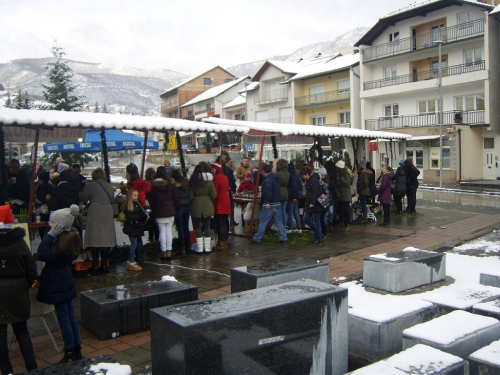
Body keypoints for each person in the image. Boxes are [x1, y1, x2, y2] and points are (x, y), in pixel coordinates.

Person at [36, 205, 83, 362]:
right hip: (65, 282)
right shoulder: (69, 240)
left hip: (58, 284)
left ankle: (70, 351)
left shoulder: (58, 244)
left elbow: (42, 253)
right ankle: (77, 349)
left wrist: (49, 236)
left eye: (52, 223)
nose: (50, 225)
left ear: (59, 226)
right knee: (70, 317)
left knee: (64, 319)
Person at [0, 226, 38, 374]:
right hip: (18, 290)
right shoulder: (19, 242)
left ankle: (6, 370)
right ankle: (32, 367)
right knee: (22, 330)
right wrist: (26, 284)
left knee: (1, 334)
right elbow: (31, 268)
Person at [79, 168, 117, 275]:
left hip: (95, 212)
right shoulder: (110, 186)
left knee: (94, 240)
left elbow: (83, 197)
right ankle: (104, 265)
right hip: (107, 213)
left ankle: (95, 266)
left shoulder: (91, 186)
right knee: (105, 240)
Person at [250, 164, 287, 244]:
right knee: (278, 222)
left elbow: (267, 193)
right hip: (277, 203)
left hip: (270, 204)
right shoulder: (276, 178)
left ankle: (257, 238)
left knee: (263, 222)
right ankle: (283, 237)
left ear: (263, 171)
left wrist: (266, 203)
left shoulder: (267, 181)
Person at [149, 166, 178, 261]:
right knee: (169, 231)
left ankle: (163, 252)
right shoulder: (170, 183)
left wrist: (154, 208)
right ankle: (169, 251)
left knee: (162, 231)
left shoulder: (153, 185)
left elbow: (151, 199)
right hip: (170, 210)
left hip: (159, 210)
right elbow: (175, 197)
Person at [189, 165, 216, 254]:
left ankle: (200, 248)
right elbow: (214, 195)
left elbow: (190, 196)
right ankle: (207, 248)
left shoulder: (193, 181)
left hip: (196, 206)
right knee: (207, 227)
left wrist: (195, 200)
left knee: (198, 227)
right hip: (208, 205)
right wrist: (208, 200)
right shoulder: (209, 181)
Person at [122, 189, 148, 270]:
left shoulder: (137, 203)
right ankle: (131, 261)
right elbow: (129, 217)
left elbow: (141, 213)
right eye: (134, 195)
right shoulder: (127, 205)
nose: (136, 197)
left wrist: (145, 216)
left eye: (137, 195)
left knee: (137, 243)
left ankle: (134, 260)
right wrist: (141, 216)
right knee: (134, 244)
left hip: (137, 227)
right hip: (131, 227)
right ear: (130, 196)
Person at [300, 166, 323, 245]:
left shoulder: (313, 180)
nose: (302, 177)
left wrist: (313, 203)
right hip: (311, 203)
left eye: (303, 175)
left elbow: (315, 192)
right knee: (306, 219)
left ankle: (318, 237)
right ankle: (318, 233)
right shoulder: (309, 180)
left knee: (316, 221)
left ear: (307, 174)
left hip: (316, 204)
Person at [211, 163, 231, 251]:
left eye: (213, 169)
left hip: (220, 201)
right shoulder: (225, 177)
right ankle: (225, 241)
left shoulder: (216, 178)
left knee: (220, 223)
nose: (212, 171)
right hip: (226, 200)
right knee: (224, 221)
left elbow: (214, 191)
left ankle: (222, 242)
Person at [171, 169, 191, 256]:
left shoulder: (174, 185)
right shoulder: (186, 182)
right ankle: (188, 247)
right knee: (186, 227)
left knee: (180, 229)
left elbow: (174, 197)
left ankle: (182, 248)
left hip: (179, 207)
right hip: (187, 206)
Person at [336, 160, 353, 231]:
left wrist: (341, 178)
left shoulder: (346, 174)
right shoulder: (343, 174)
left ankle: (348, 224)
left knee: (346, 210)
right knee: (340, 209)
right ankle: (342, 222)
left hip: (345, 195)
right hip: (342, 194)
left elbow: (347, 183)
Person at [274, 158, 290, 230]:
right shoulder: (288, 173)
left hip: (279, 193)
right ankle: (284, 226)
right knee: (284, 211)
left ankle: (280, 229)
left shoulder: (277, 174)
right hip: (286, 192)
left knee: (279, 212)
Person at [286, 163, 302, 233]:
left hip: (291, 197)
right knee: (296, 212)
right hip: (297, 196)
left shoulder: (290, 176)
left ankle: (290, 228)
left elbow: (293, 187)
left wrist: (293, 196)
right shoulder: (297, 176)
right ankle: (299, 227)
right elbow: (299, 186)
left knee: (290, 213)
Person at [145, 167, 159, 243]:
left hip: (149, 205)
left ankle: (152, 240)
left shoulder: (147, 183)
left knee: (151, 224)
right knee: (156, 224)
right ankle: (156, 240)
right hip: (155, 205)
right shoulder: (157, 183)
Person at [225, 159, 238, 226]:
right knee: (231, 206)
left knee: (232, 206)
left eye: (232, 162)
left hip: (232, 189)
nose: (231, 163)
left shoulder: (229, 169)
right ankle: (232, 221)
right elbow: (230, 180)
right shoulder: (228, 170)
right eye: (230, 162)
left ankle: (231, 221)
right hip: (231, 190)